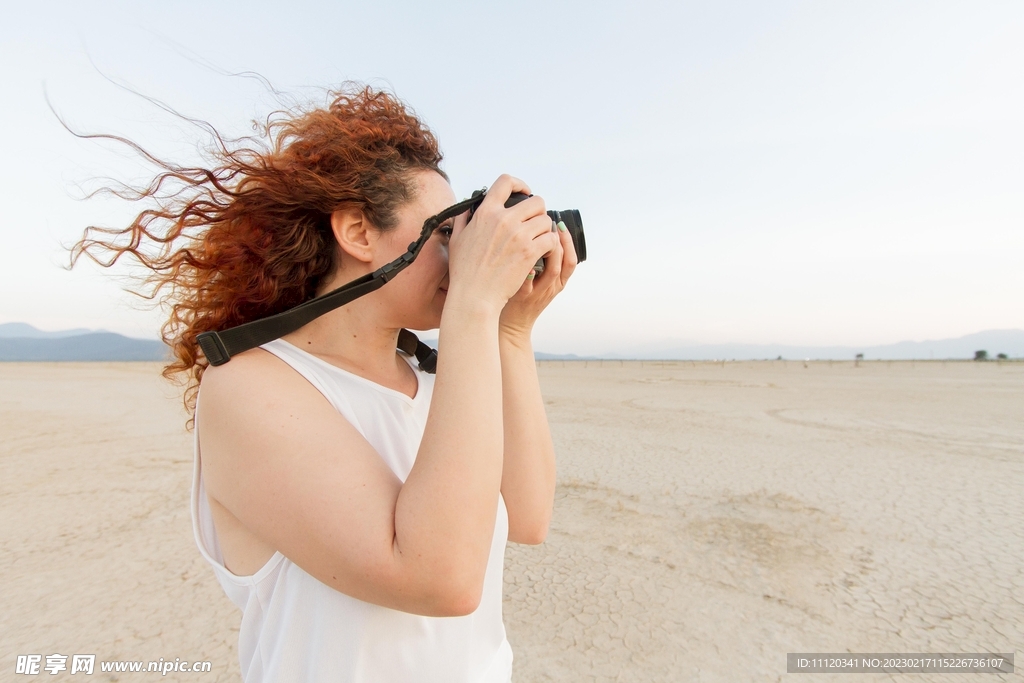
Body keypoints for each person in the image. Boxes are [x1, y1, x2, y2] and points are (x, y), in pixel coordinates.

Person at [71, 85, 577, 682]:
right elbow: (440, 578)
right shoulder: (251, 387)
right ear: (359, 234)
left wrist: (510, 332)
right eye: (444, 234)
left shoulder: (436, 384)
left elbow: (527, 517)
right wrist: (472, 304)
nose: (459, 255)